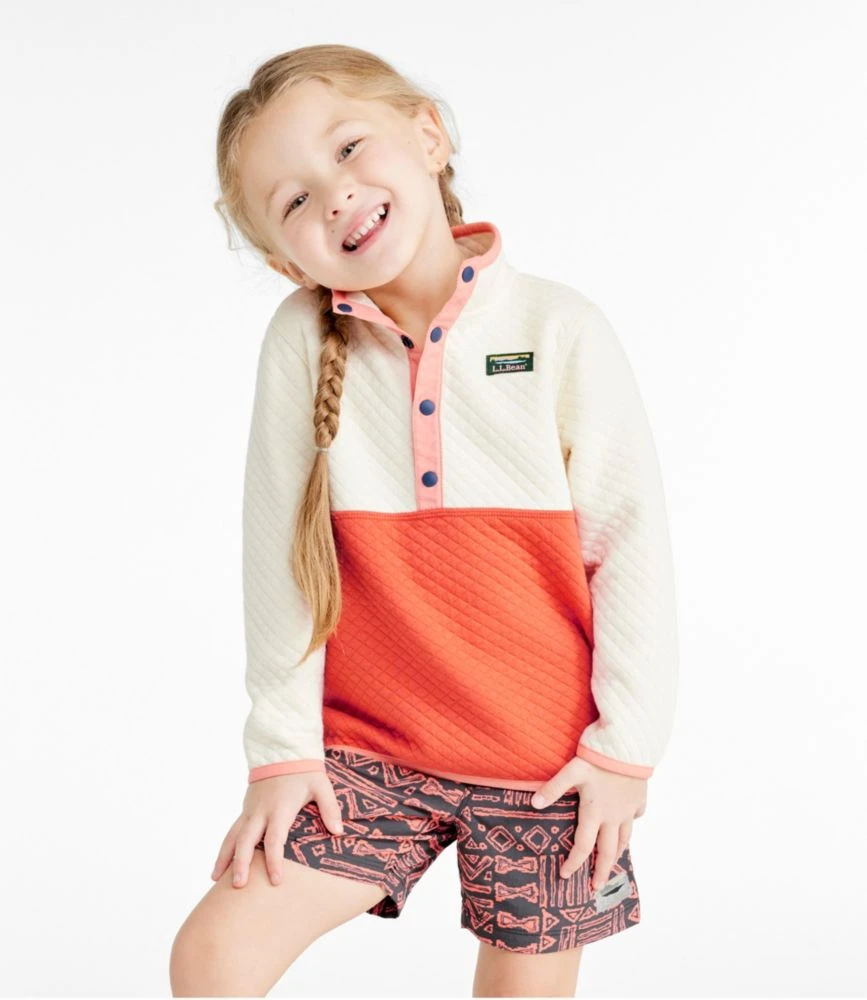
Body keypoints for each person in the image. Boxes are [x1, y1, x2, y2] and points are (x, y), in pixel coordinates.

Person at [169, 43, 679, 998]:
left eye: (348, 148)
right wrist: (280, 754)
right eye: (294, 199)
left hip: (547, 767)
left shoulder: (557, 328)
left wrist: (625, 752)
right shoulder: (300, 340)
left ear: (428, 135)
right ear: (284, 260)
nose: (335, 195)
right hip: (366, 752)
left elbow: (630, 547)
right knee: (213, 957)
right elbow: (278, 559)